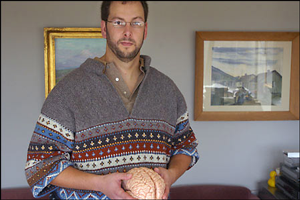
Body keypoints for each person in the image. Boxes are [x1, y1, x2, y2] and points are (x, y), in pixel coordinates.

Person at [25, 1, 199, 199]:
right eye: (118, 22)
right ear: (104, 28)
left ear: (146, 29)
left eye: (136, 23)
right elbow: (40, 163)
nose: (127, 31)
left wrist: (171, 175)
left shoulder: (167, 90)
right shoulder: (67, 92)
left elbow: (185, 146)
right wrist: (100, 183)